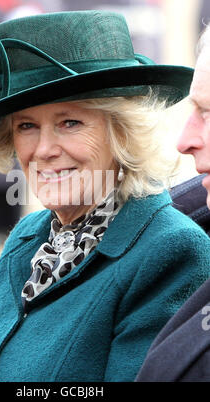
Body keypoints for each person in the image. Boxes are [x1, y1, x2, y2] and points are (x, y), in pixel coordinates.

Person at [0, 10, 210, 382]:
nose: (44, 149)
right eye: (26, 126)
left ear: (122, 133)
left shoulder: (171, 252)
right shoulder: (28, 237)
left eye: (69, 122)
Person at [136, 23, 210, 382]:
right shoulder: (28, 239)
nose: (185, 141)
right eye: (25, 125)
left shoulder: (171, 243)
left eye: (209, 113)